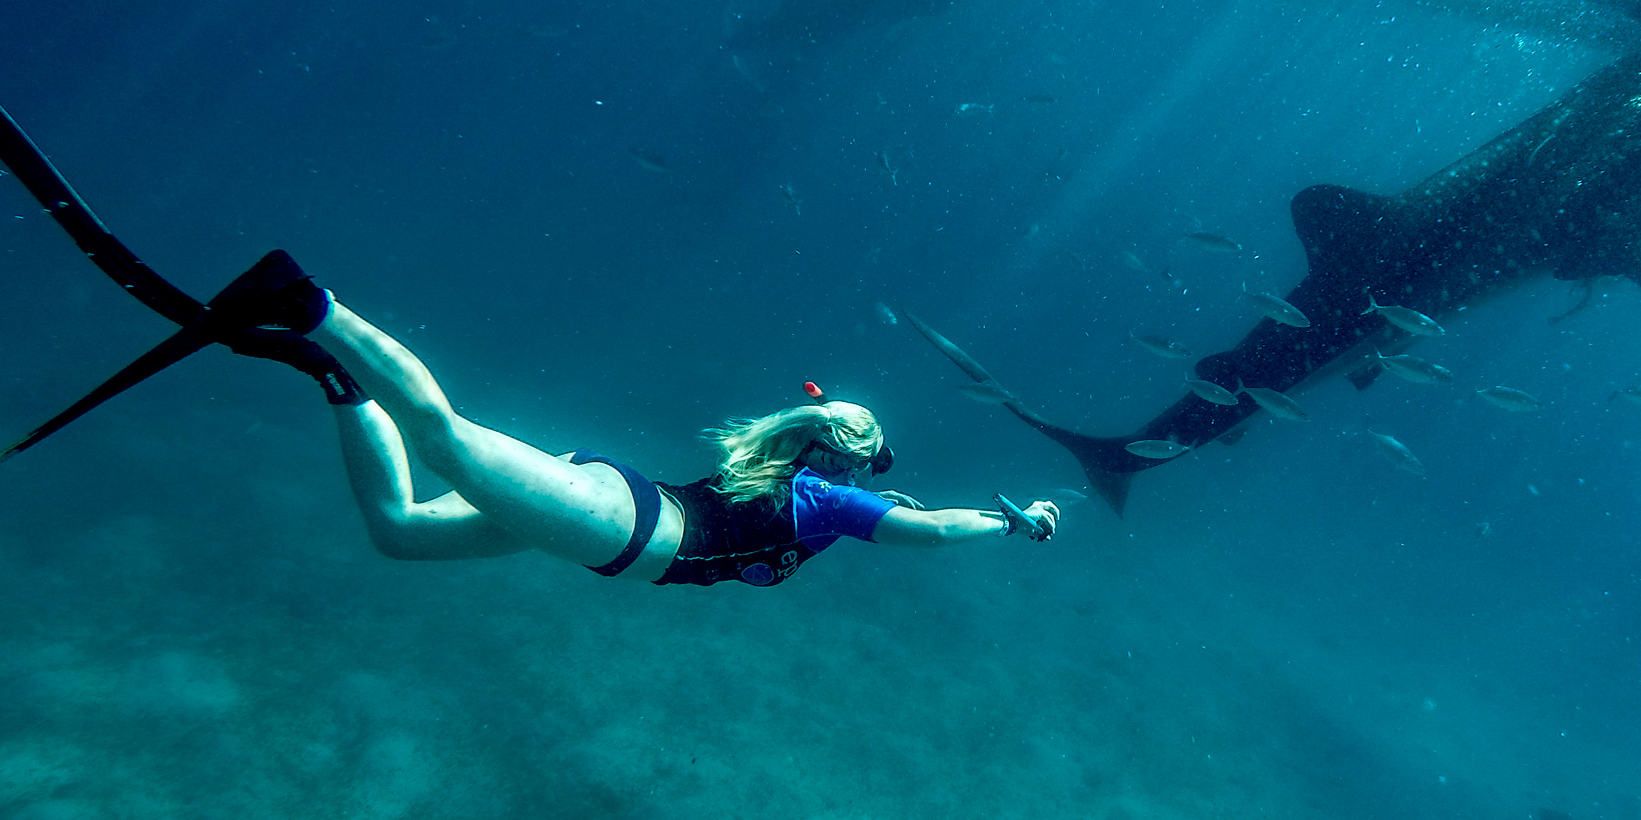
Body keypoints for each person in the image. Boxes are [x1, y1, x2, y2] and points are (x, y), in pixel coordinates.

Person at [221, 254, 1061, 586]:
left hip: (611, 509)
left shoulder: (805, 489)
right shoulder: (827, 502)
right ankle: (307, 304)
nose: (871, 481)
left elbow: (909, 513)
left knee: (399, 531)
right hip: (613, 523)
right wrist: (1014, 525)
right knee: (444, 439)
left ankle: (337, 379)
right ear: (841, 456)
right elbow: (942, 531)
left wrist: (912, 504)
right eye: (872, 463)